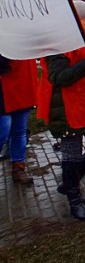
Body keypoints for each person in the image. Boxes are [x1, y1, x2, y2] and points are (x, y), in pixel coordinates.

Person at [37, 0, 85, 221]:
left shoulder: (82, 37)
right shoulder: (57, 43)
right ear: (74, 20)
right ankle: (74, 200)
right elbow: (58, 77)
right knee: (71, 154)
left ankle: (70, 182)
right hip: (68, 108)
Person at [0, 56, 39, 185]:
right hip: (3, 88)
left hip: (23, 83)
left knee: (19, 131)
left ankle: (18, 168)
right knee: (3, 132)